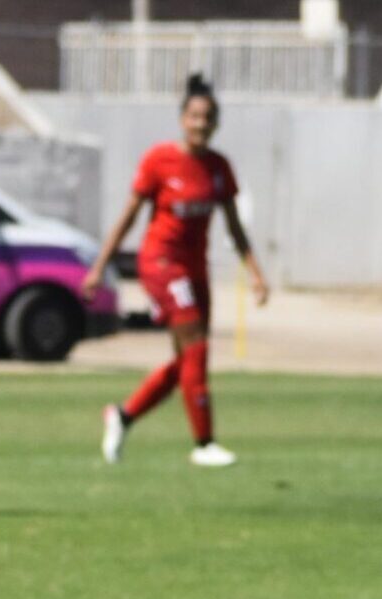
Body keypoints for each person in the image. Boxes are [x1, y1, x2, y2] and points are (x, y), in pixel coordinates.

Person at [82, 73, 268, 468]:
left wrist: (255, 272)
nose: (201, 123)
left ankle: (123, 415)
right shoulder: (159, 161)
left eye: (209, 117)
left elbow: (234, 226)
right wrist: (99, 268)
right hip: (162, 263)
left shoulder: (219, 168)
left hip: (196, 268)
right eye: (195, 116)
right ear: (182, 119)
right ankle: (204, 443)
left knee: (188, 358)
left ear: (216, 122)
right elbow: (128, 217)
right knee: (196, 344)